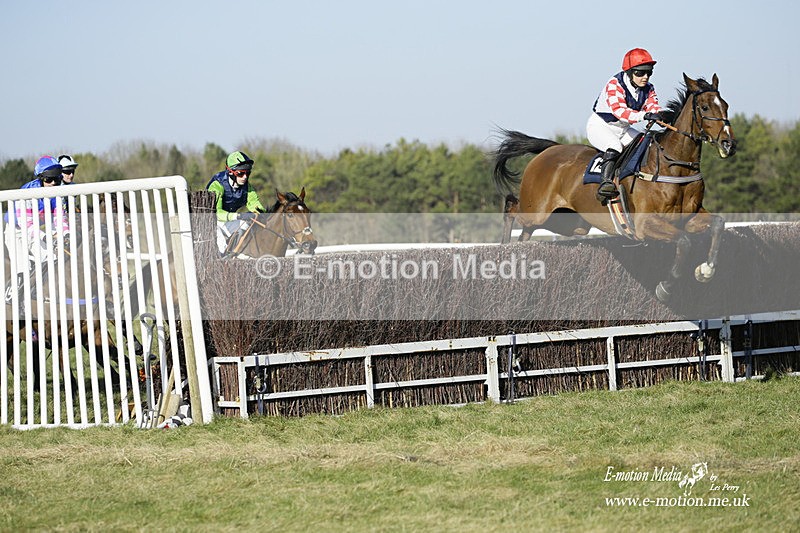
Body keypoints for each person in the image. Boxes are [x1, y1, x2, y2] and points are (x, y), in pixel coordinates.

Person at [587, 48, 663, 202]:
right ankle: (605, 184)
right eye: (640, 73)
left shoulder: (649, 88)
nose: (645, 77)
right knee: (615, 146)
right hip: (601, 126)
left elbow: (653, 106)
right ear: (629, 72)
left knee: (647, 144)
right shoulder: (615, 84)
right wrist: (644, 115)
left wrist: (660, 115)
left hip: (623, 129)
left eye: (649, 72)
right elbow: (620, 111)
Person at [206, 150, 267, 255]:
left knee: (246, 226)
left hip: (226, 220)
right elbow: (217, 214)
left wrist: (260, 213)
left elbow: (255, 204)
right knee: (221, 246)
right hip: (210, 220)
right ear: (230, 172)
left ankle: (235, 256)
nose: (245, 177)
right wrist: (239, 215)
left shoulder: (247, 186)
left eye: (248, 173)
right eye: (241, 173)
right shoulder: (217, 185)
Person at [15, 156, 71, 261]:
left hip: (38, 228)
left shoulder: (57, 193)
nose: (53, 183)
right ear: (40, 178)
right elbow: (27, 225)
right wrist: (45, 237)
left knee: (54, 256)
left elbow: (59, 218)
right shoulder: (26, 192)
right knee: (25, 266)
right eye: (49, 179)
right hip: (17, 230)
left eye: (57, 179)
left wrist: (67, 234)